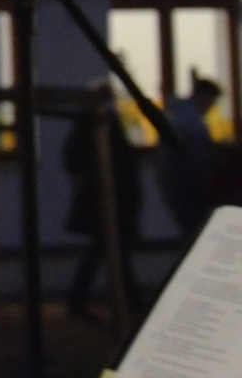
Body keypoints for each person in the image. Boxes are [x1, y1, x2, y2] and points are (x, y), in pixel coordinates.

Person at [63, 82, 142, 319]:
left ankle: (123, 300)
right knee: (111, 250)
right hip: (105, 198)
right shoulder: (95, 123)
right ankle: (130, 301)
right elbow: (76, 158)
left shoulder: (105, 121)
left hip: (112, 197)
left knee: (107, 250)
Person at [154, 76, 224, 234]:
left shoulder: (182, 116)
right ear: (202, 96)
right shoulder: (187, 121)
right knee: (195, 227)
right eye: (211, 100)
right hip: (186, 185)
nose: (211, 105)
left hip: (181, 183)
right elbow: (195, 157)